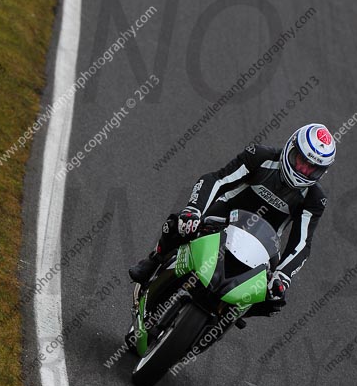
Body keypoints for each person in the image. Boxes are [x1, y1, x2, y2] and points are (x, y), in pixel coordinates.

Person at [129, 123, 336, 315]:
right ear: (291, 148)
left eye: (312, 168)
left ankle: (224, 318)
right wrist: (194, 209)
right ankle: (154, 261)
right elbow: (217, 180)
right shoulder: (261, 156)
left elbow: (302, 242)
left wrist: (283, 275)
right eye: (301, 161)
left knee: (273, 299)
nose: (303, 170)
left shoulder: (315, 199)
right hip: (224, 217)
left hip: (264, 244)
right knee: (181, 225)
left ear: (322, 172)